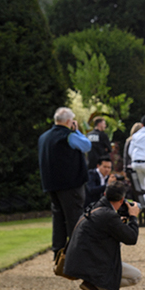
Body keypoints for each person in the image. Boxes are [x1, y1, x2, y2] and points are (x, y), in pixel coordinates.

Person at [63, 179, 142, 290]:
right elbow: (131, 238)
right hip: (89, 264)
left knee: (124, 272)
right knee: (135, 276)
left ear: (105, 194)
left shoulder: (97, 206)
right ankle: (99, 286)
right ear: (122, 200)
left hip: (78, 261)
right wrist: (133, 217)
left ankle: (105, 287)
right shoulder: (108, 215)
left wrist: (119, 223)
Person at [38, 107, 91, 258]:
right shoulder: (68, 136)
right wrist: (77, 130)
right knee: (75, 217)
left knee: (58, 218)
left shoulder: (44, 137)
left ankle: (58, 252)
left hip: (51, 184)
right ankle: (77, 254)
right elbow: (87, 145)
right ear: (69, 121)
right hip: (70, 184)